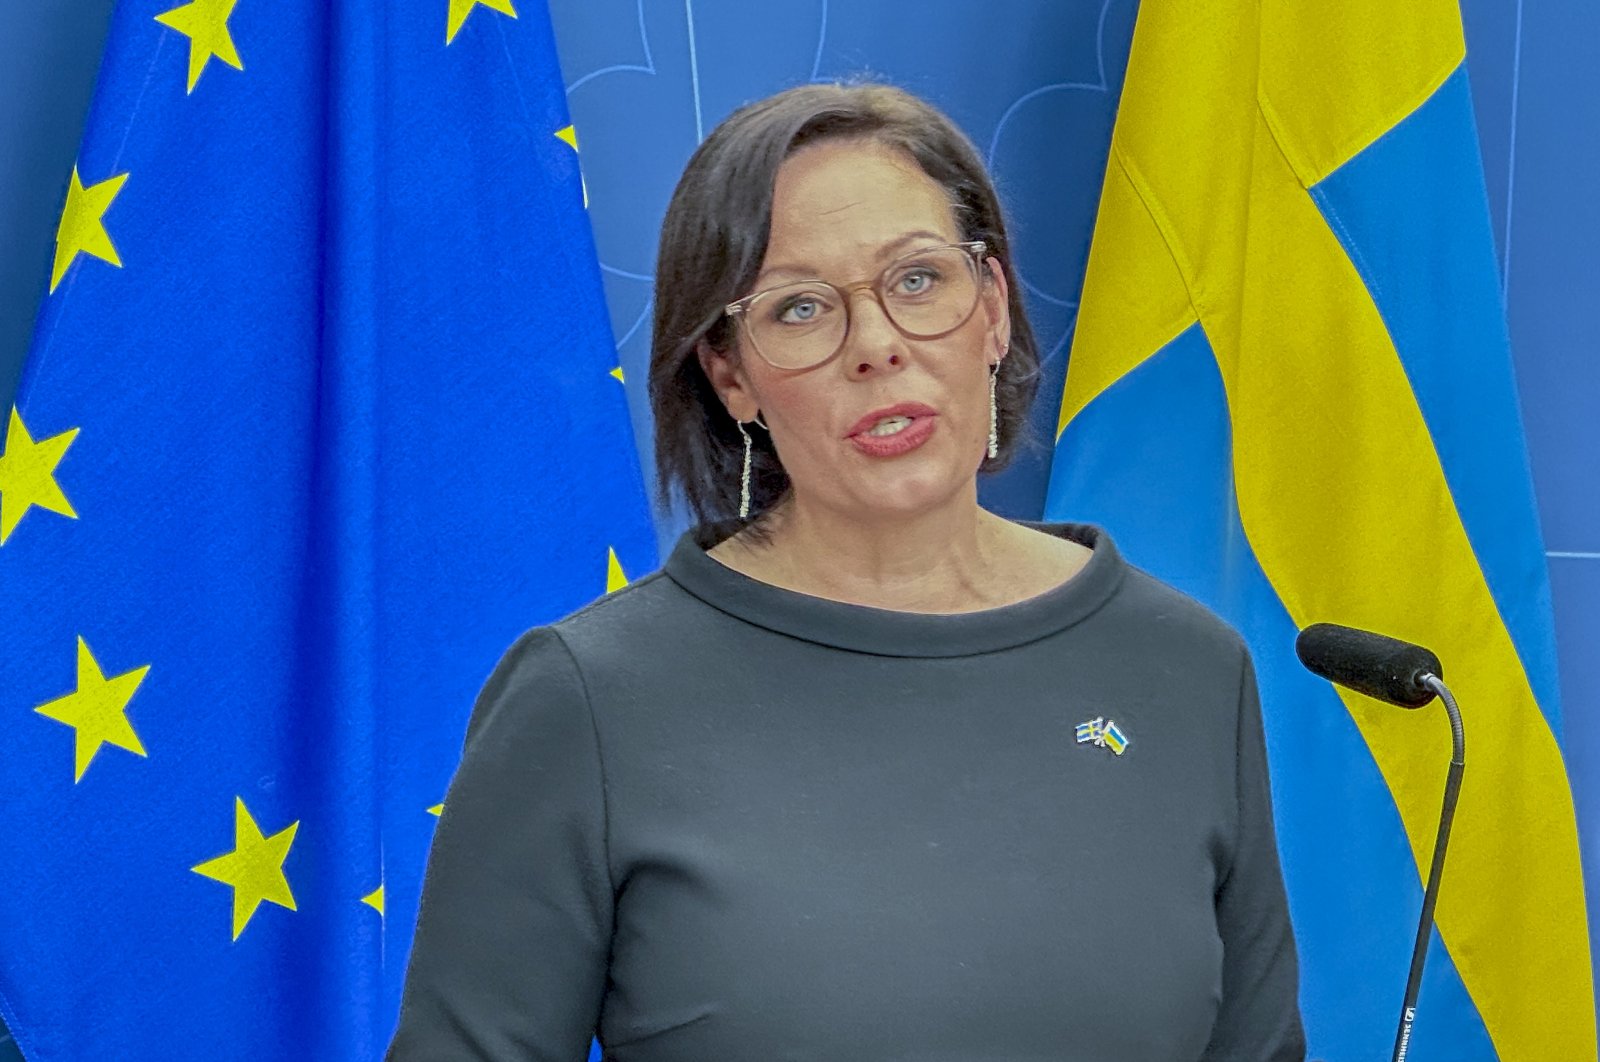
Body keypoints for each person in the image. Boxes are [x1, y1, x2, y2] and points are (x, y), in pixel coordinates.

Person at [388, 83, 1305, 1061]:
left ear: (991, 309)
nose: (877, 347)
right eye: (799, 308)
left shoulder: (1184, 669)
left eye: (916, 281)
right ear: (729, 373)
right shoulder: (589, 700)